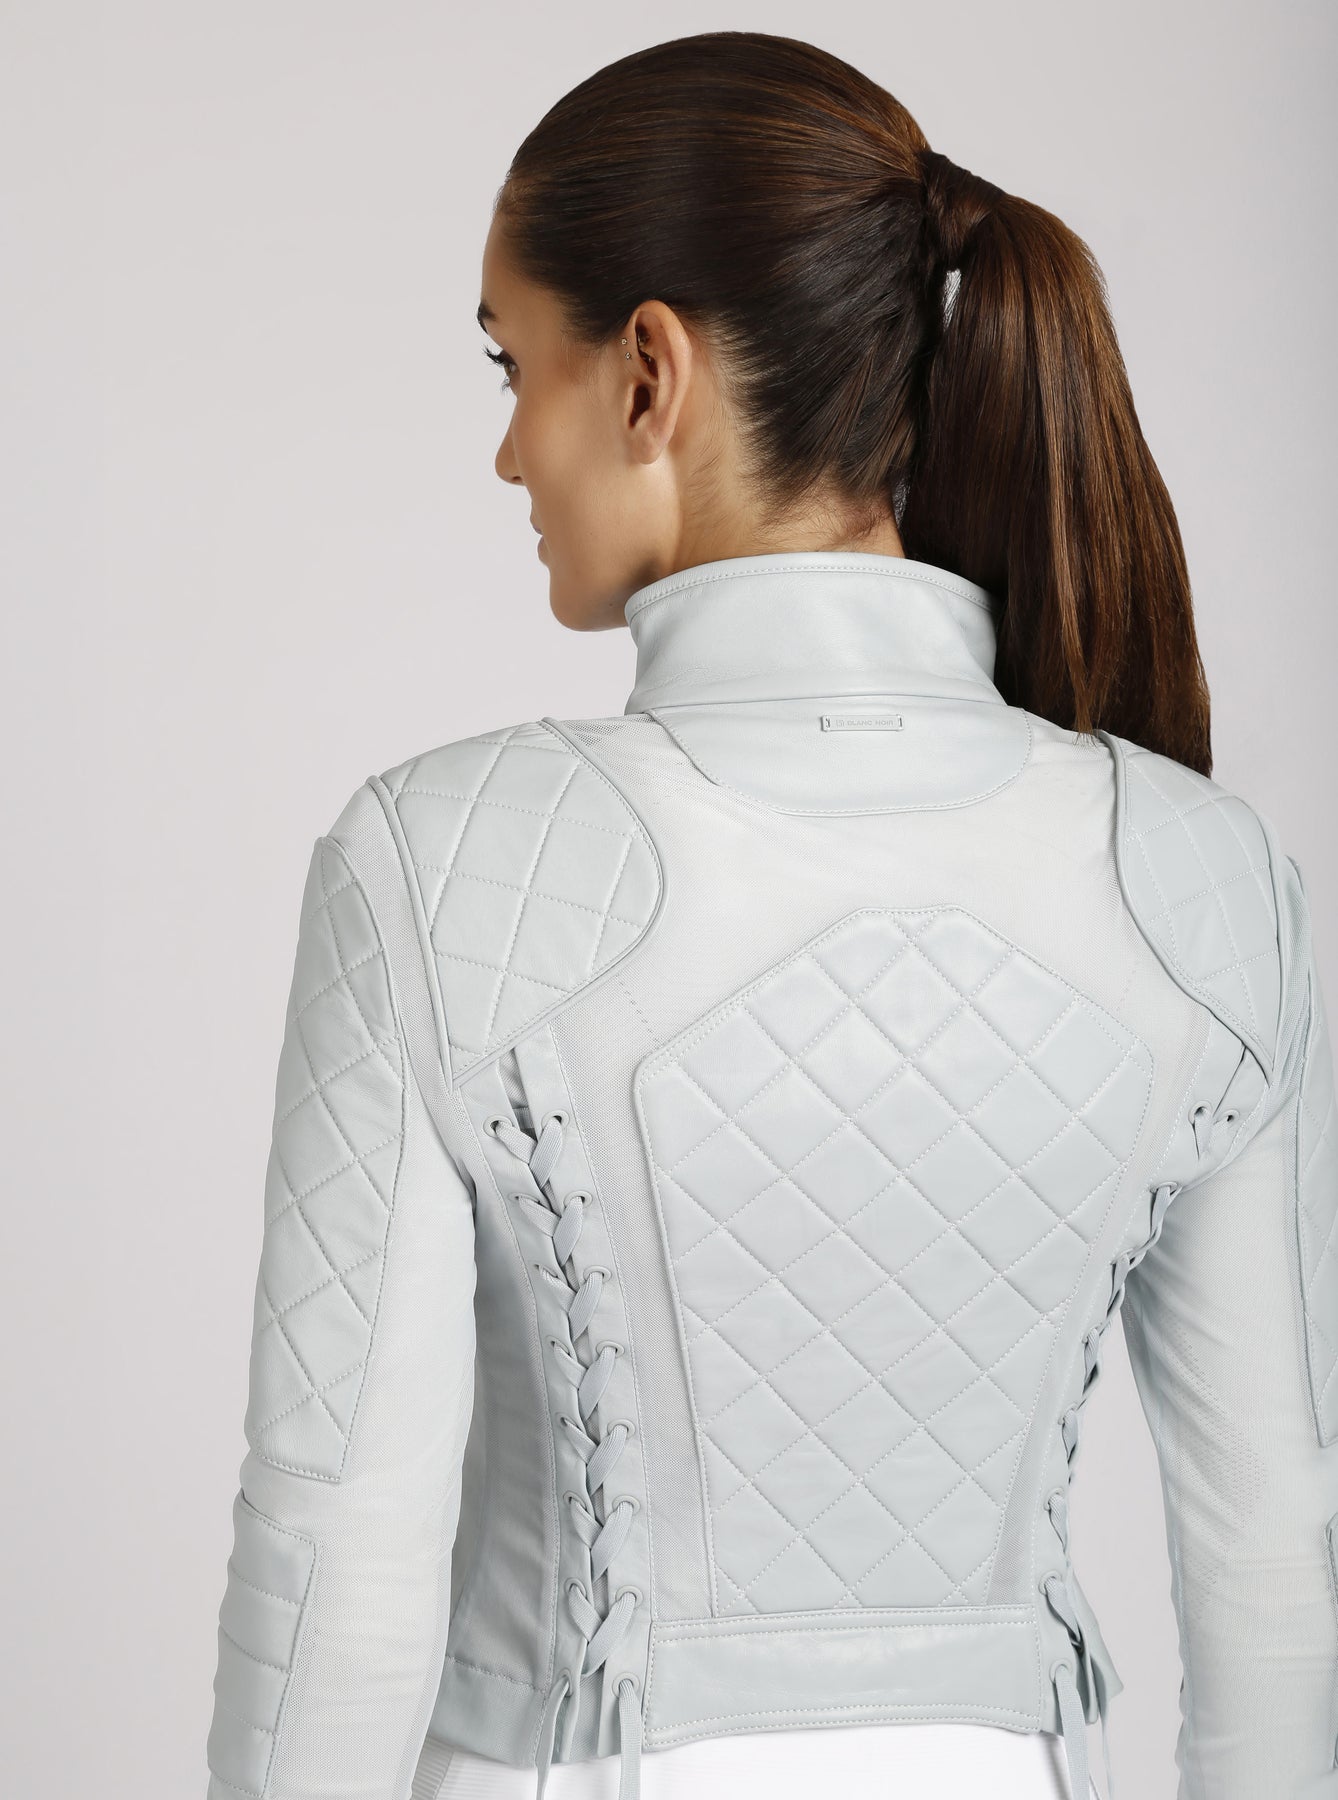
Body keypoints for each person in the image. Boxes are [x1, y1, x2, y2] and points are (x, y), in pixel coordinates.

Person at [203, 31, 1338, 1800]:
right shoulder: (1201, 877)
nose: (506, 453)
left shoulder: (437, 861)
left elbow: (332, 1556)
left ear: (646, 373)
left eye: (513, 365)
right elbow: (1274, 1569)